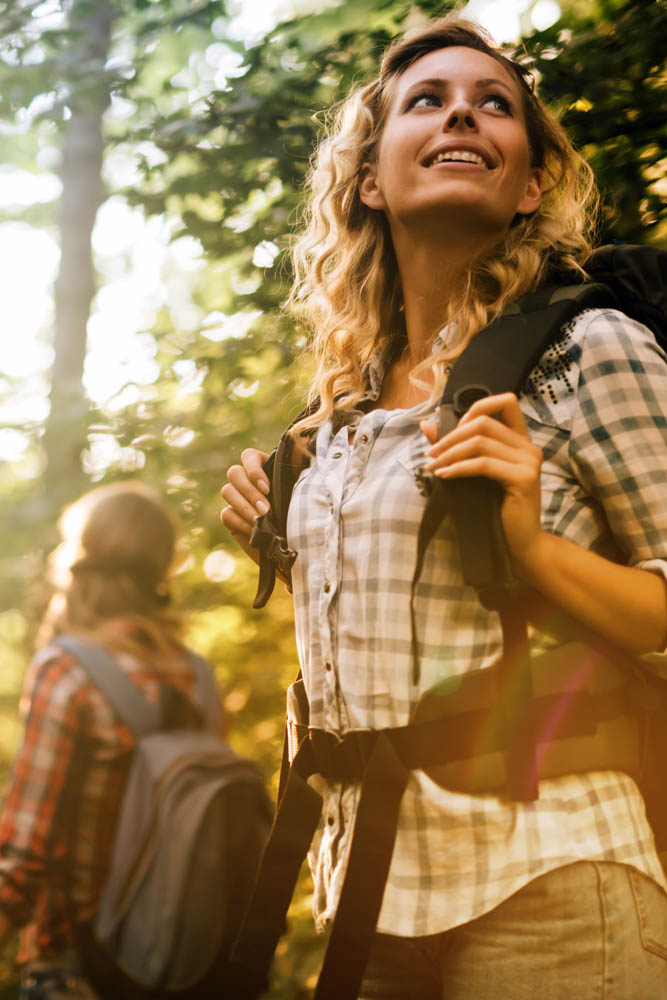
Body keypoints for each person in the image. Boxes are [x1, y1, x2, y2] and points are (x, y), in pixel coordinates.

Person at [221, 13, 667, 999]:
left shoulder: (590, 349)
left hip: (553, 883)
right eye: (426, 101)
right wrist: (276, 525)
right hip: (367, 899)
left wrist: (534, 548)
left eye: (492, 104)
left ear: (530, 179)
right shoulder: (331, 415)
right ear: (371, 177)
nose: (461, 111)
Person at [0, 481, 227, 999]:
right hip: (180, 960)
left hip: (82, 967)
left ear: (79, 561)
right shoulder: (197, 678)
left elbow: (24, 858)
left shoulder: (66, 671)